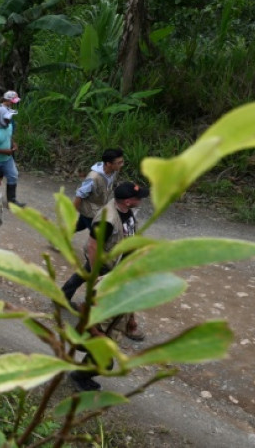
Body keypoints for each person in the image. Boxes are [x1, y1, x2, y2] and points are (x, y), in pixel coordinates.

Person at [64, 182, 149, 392]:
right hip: (106, 267)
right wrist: (96, 275)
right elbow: (93, 245)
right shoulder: (107, 219)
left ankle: (83, 368)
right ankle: (79, 375)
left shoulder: (127, 212)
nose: (141, 200)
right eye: (138, 198)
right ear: (128, 201)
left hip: (118, 268)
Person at [73, 148, 124, 232]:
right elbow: (80, 194)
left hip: (99, 208)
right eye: (119, 163)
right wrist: (71, 213)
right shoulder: (93, 178)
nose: (122, 164)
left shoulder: (114, 171)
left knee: (79, 226)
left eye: (122, 161)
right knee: (100, 236)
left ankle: (59, 235)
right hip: (90, 213)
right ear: (108, 164)